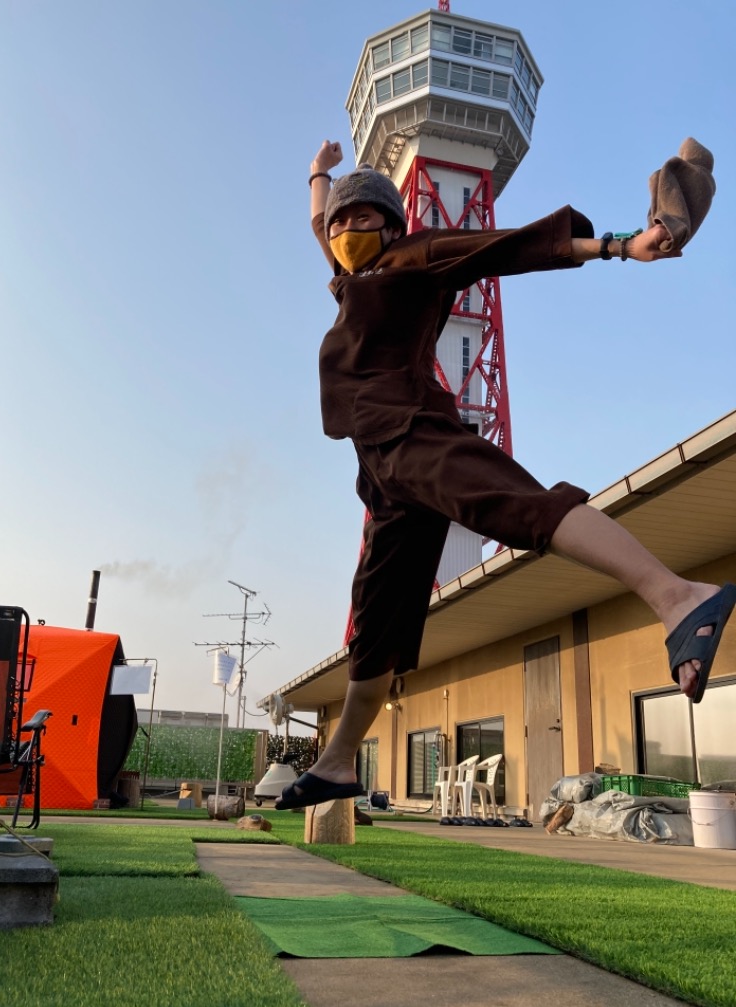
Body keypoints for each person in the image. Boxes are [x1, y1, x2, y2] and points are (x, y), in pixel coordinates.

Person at [276, 139, 735, 811]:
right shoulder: (350, 275)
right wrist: (319, 172)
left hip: (414, 430)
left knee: (514, 506)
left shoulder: (417, 257)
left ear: (392, 222)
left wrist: (617, 245)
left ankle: (675, 596)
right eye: (341, 223)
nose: (346, 230)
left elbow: (507, 247)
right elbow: (320, 219)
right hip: (382, 474)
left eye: (362, 219)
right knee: (376, 621)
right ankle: (341, 761)